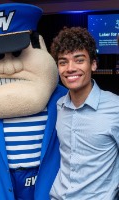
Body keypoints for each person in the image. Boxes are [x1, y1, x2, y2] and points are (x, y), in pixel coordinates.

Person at [0, 3, 67, 200]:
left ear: (40, 45)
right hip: (1, 187)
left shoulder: (63, 99)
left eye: (18, 52)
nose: (9, 67)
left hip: (47, 184)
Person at [49, 27, 119, 199]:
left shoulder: (115, 107)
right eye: (63, 62)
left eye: (79, 60)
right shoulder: (59, 106)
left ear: (93, 64)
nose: (70, 68)